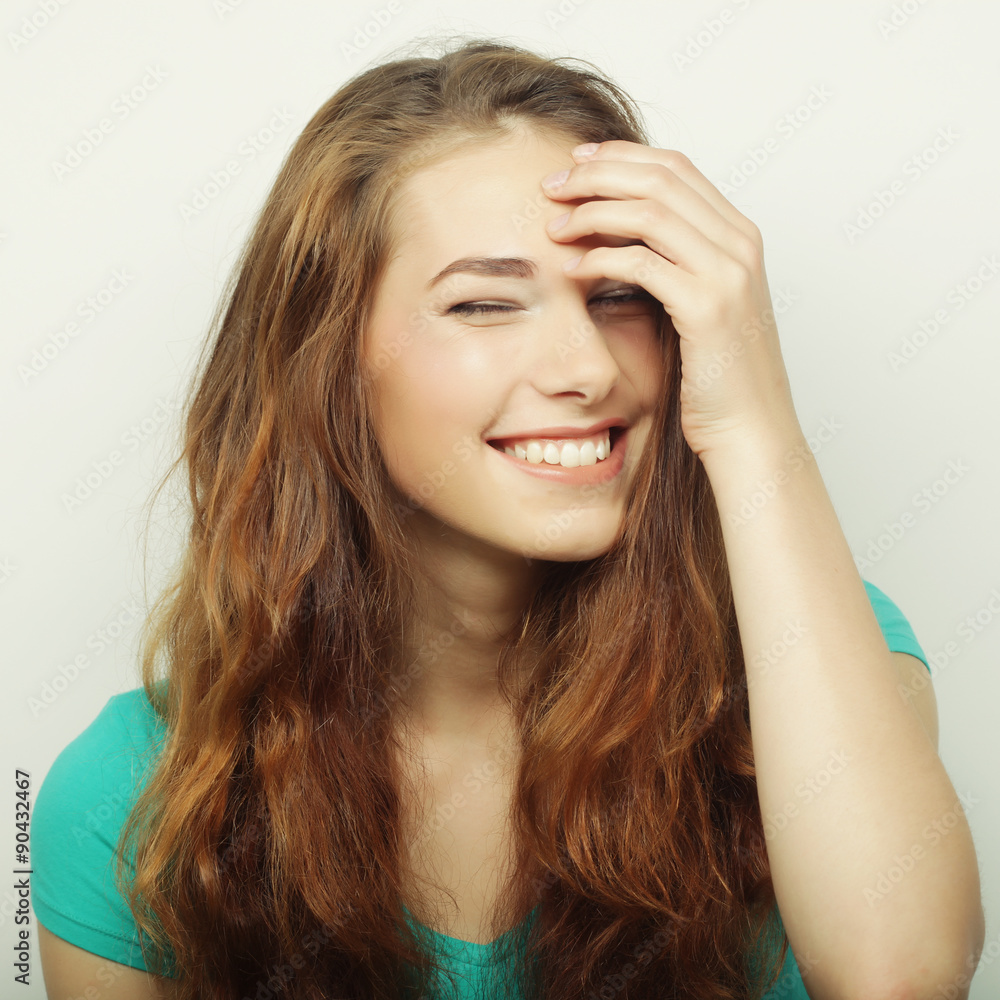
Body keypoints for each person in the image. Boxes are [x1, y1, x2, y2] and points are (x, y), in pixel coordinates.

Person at [33, 35, 983, 1000]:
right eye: (485, 305)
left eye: (619, 296)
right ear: (328, 367)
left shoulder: (820, 655)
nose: (588, 369)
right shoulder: (128, 802)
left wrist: (752, 421)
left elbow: (898, 977)